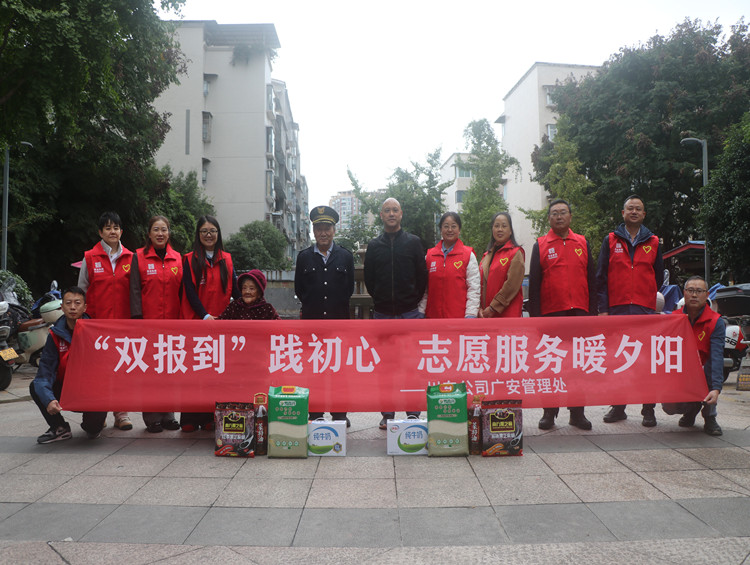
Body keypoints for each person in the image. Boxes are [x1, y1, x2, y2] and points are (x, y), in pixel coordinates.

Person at [529, 199, 597, 430]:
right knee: (552, 364)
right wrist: (537, 320)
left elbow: (591, 280)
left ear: (570, 216)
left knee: (577, 365)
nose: (559, 216)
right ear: (549, 218)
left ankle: (577, 413)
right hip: (552, 314)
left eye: (563, 212)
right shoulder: (541, 244)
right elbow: (534, 284)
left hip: (579, 313)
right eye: (554, 213)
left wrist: (592, 315)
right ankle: (549, 412)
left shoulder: (582, 242)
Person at [597, 194, 664, 427]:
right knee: (618, 360)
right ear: (623, 213)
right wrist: (603, 309)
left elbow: (657, 277)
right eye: (630, 208)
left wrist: (647, 300)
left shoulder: (653, 242)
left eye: (638, 209)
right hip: (617, 310)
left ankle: (648, 409)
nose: (634, 212)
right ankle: (618, 407)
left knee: (646, 361)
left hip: (644, 311)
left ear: (644, 214)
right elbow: (601, 277)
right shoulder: (610, 240)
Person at [364, 197, 428, 429]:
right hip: (383, 315)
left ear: (401, 214)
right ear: (381, 215)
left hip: (409, 314)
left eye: (395, 210)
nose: (391, 214)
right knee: (386, 368)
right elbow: (370, 280)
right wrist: (382, 300)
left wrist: (411, 301)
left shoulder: (413, 243)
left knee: (411, 366)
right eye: (387, 210)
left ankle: (413, 413)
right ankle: (387, 414)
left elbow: (421, 278)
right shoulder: (374, 246)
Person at [295, 206, 354, 426]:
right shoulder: (304, 257)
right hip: (312, 327)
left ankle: (339, 415)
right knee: (314, 371)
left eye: (327, 228)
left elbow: (348, 289)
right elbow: (300, 290)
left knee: (339, 372)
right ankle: (316, 414)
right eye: (319, 228)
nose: (323, 233)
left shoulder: (345, 256)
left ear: (334, 230)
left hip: (339, 326)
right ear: (313, 231)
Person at [180, 215, 239, 432]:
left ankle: (208, 417)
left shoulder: (227, 260)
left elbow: (235, 290)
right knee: (192, 372)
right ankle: (188, 418)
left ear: (218, 234)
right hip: (195, 324)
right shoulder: (189, 259)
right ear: (198, 235)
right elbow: (190, 291)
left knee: (213, 372)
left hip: (219, 327)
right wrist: (205, 316)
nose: (208, 235)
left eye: (213, 231)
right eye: (204, 231)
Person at [77, 211, 134, 431]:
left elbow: (135, 292)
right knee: (99, 371)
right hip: (97, 327)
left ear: (121, 231)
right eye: (108, 228)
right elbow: (81, 291)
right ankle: (99, 412)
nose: (113, 231)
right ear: (100, 232)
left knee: (121, 368)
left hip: (123, 325)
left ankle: (121, 413)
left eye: (116, 228)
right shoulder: (90, 257)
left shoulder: (131, 258)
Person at [30, 287, 107, 442]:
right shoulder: (54, 335)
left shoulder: (97, 333)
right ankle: (59, 427)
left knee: (92, 431)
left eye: (77, 303)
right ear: (62, 307)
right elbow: (44, 373)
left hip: (91, 392)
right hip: (65, 390)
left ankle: (95, 422)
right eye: (68, 303)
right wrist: (48, 399)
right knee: (36, 387)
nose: (73, 307)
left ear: (85, 307)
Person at [130, 215, 182, 433]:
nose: (160, 233)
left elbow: (182, 292)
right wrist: (137, 319)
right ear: (149, 234)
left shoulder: (178, 259)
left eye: (164, 229)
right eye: (156, 229)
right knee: (150, 373)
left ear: (169, 233)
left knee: (170, 370)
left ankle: (168, 415)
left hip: (173, 326)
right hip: (148, 327)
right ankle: (152, 418)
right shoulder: (138, 257)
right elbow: (134, 290)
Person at [666, 276, 724, 436]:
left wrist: (716, 388)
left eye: (699, 291)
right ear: (684, 293)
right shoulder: (673, 318)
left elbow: (717, 357)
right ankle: (691, 409)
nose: (694, 295)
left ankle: (710, 416)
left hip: (704, 371)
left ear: (707, 295)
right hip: (682, 372)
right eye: (690, 290)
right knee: (669, 406)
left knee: (710, 371)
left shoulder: (715, 321)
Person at [419, 211, 480, 319]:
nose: (450, 230)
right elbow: (424, 290)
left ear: (459, 229)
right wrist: (421, 311)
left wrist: (471, 314)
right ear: (441, 229)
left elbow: (474, 289)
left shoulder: (468, 255)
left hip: (459, 319)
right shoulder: (429, 256)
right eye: (446, 226)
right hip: (433, 318)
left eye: (454, 226)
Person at [478, 212, 524, 319]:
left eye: (504, 226)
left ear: (510, 230)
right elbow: (479, 284)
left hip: (507, 315)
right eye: (496, 226)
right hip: (486, 315)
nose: (500, 229)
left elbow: (511, 285)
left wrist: (493, 307)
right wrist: (479, 307)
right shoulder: (486, 256)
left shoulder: (515, 253)